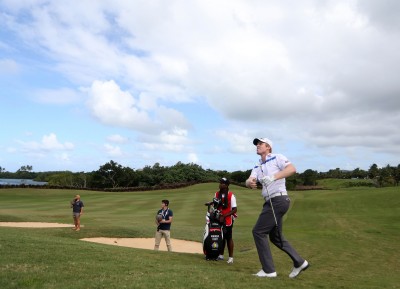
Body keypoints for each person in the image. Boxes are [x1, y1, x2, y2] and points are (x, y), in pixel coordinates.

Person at [245, 137, 309, 278]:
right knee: (275, 237)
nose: (257, 146)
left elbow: (292, 169)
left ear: (268, 147)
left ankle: (269, 271)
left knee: (258, 232)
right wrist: (250, 183)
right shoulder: (257, 166)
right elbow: (249, 180)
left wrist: (273, 177)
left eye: (260, 144)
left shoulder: (277, 158)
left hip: (278, 199)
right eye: (257, 144)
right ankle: (299, 262)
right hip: (271, 202)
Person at [214, 177, 237, 264]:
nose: (220, 184)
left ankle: (231, 258)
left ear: (226, 185)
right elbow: (215, 204)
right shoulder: (216, 194)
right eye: (220, 182)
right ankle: (221, 255)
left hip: (227, 219)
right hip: (218, 217)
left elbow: (234, 210)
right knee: (221, 237)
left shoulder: (231, 195)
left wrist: (224, 216)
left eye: (222, 183)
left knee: (228, 238)